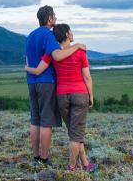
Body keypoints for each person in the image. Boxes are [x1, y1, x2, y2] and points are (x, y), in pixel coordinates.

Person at [26, 23, 97, 172]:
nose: (72, 33)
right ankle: (72, 167)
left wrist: (26, 68)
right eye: (71, 31)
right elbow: (87, 77)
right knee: (76, 134)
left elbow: (38, 70)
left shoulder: (52, 53)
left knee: (74, 132)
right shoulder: (80, 53)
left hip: (61, 96)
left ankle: (85, 163)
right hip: (79, 94)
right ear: (67, 34)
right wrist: (91, 95)